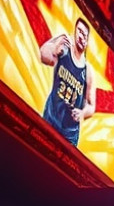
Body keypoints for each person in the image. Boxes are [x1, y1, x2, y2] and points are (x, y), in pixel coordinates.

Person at [38, 17, 96, 146]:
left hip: (69, 134)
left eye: (85, 35)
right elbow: (43, 55)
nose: (81, 37)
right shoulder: (64, 46)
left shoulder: (88, 71)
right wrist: (54, 50)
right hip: (50, 118)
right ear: (75, 31)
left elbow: (91, 106)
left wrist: (82, 113)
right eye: (79, 31)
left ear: (87, 41)